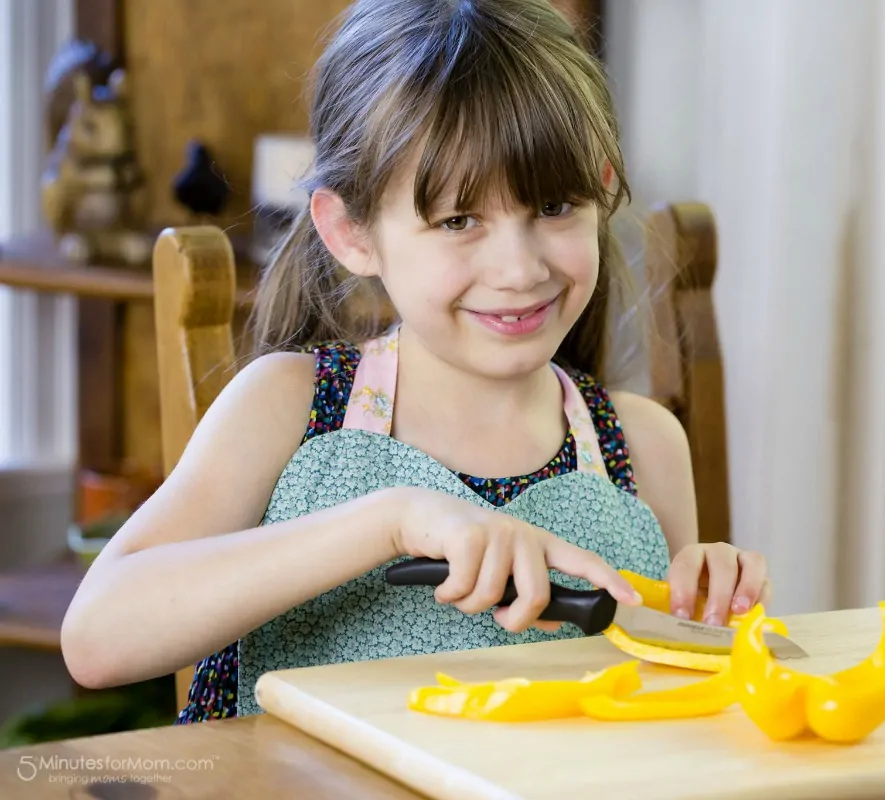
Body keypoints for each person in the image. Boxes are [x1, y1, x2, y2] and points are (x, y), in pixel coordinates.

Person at [60, 0, 771, 724]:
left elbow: (684, 692)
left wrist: (709, 601)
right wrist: (390, 521)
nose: (519, 269)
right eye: (459, 221)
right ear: (351, 232)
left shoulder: (643, 445)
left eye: (555, 206)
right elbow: (97, 638)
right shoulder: (289, 408)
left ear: (603, 186)